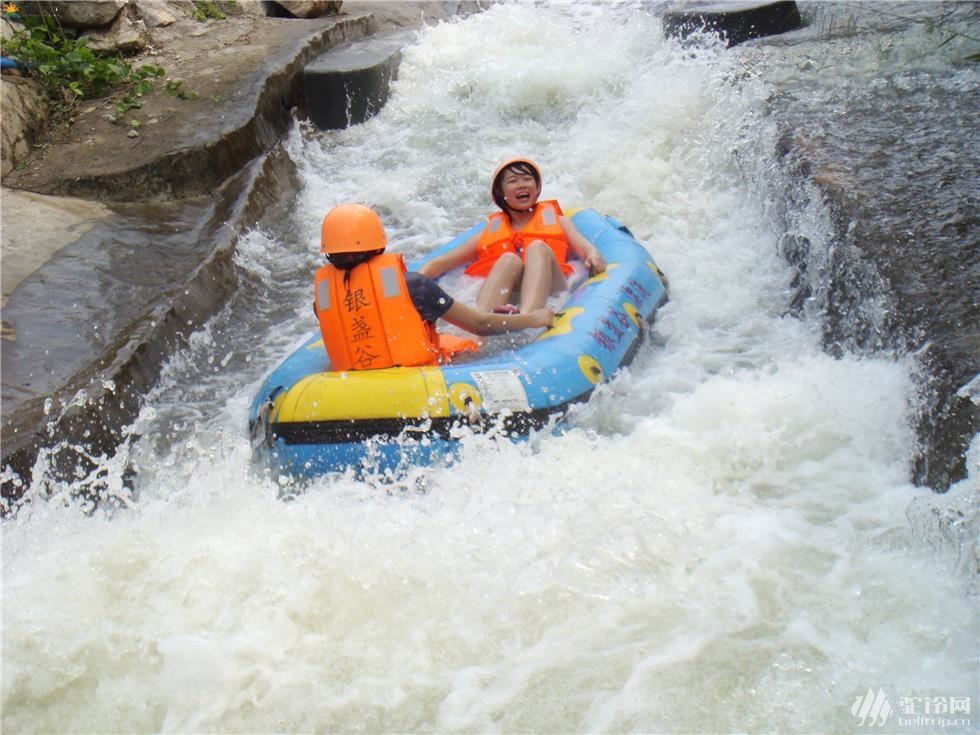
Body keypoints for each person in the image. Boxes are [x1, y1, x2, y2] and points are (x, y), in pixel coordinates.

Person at [314, 203, 554, 371]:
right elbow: (481, 324)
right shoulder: (413, 286)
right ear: (379, 244)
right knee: (474, 339)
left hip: (355, 387)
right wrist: (533, 319)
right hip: (420, 378)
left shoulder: (323, 298)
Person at [416, 158, 607, 313]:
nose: (521, 185)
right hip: (511, 291)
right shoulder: (489, 233)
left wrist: (593, 256)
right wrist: (412, 281)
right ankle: (479, 330)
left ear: (537, 187)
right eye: (512, 181)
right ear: (501, 192)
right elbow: (441, 263)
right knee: (508, 259)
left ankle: (526, 317)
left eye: (527, 179)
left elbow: (586, 249)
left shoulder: (559, 222)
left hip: (553, 289)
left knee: (538, 248)